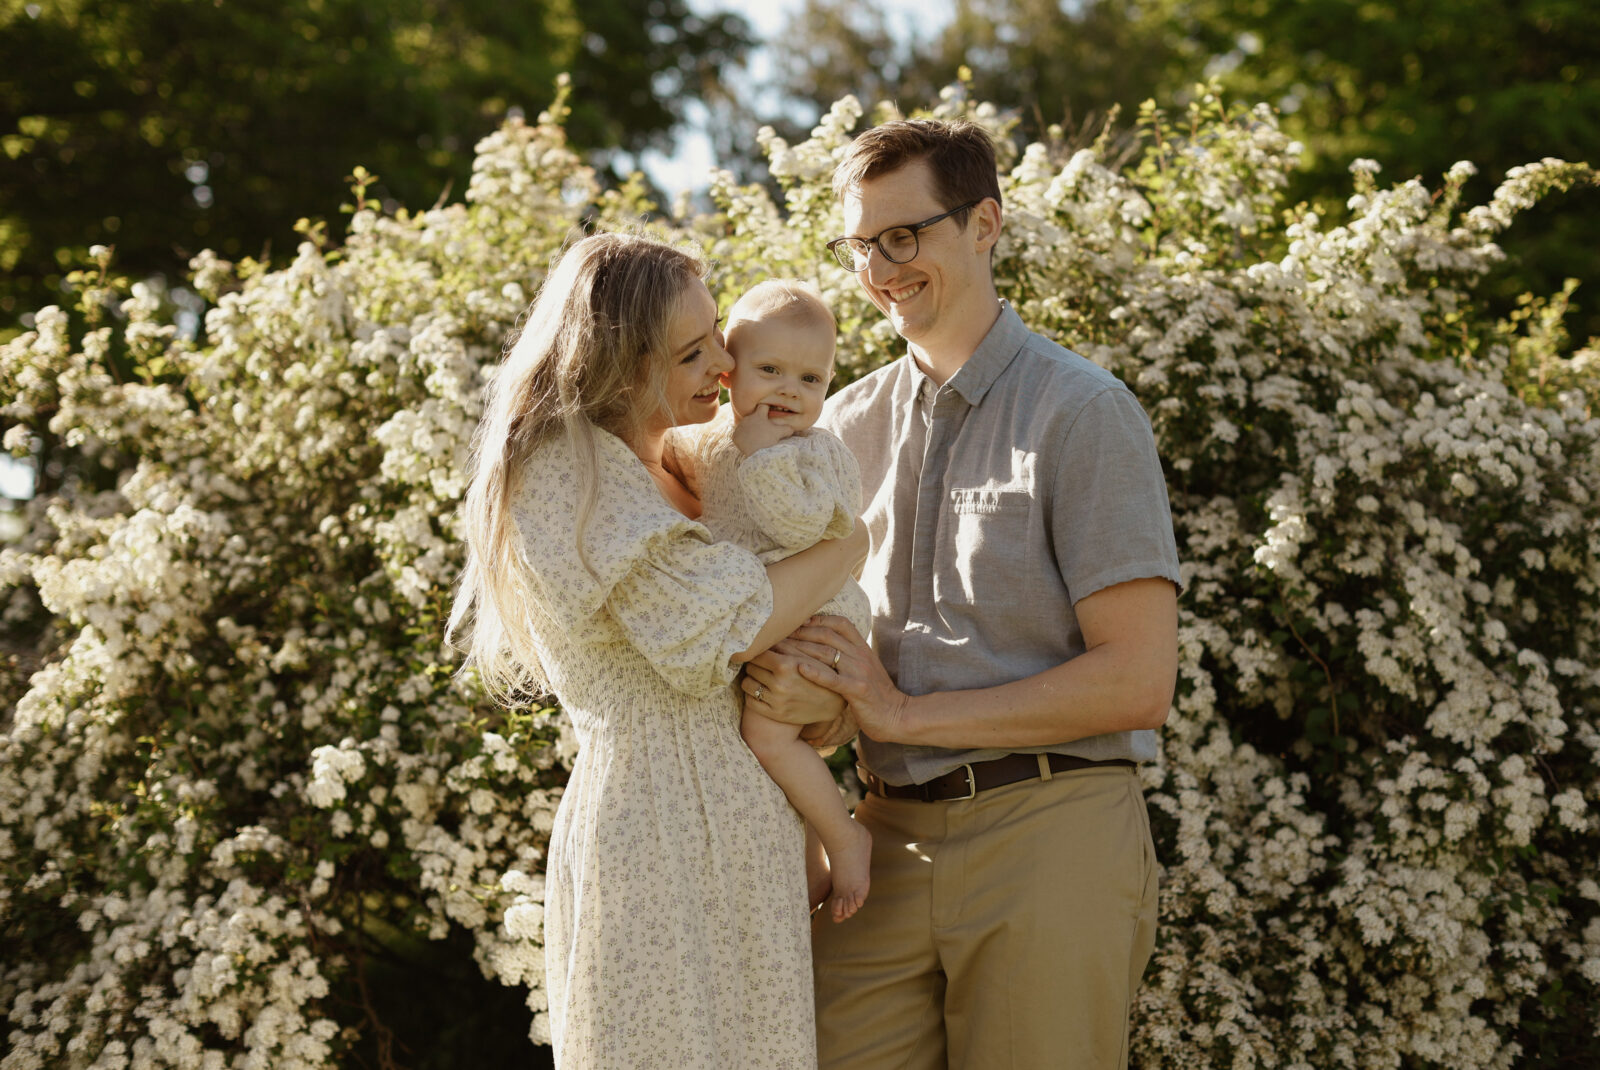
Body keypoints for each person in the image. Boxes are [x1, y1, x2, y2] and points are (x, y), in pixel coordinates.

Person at [742, 119, 1183, 1069]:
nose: (881, 268)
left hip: (1052, 831)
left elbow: (1139, 681)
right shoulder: (837, 430)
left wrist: (902, 710)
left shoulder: (1085, 413)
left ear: (985, 223)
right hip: (881, 841)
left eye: (906, 236)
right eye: (862, 244)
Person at [446, 231, 867, 1069]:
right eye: (692, 350)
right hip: (657, 839)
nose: (724, 361)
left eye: (717, 333)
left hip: (753, 839)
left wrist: (828, 703)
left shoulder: (692, 456)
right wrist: (850, 551)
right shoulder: (566, 473)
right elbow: (726, 625)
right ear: (624, 366)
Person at [668, 278, 874, 923]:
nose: (789, 390)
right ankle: (813, 857)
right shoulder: (715, 439)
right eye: (770, 370)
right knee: (772, 741)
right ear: (728, 373)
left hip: (819, 614)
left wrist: (763, 461)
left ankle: (845, 839)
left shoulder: (818, 452)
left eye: (811, 379)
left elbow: (807, 531)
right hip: (772, 613)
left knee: (769, 734)